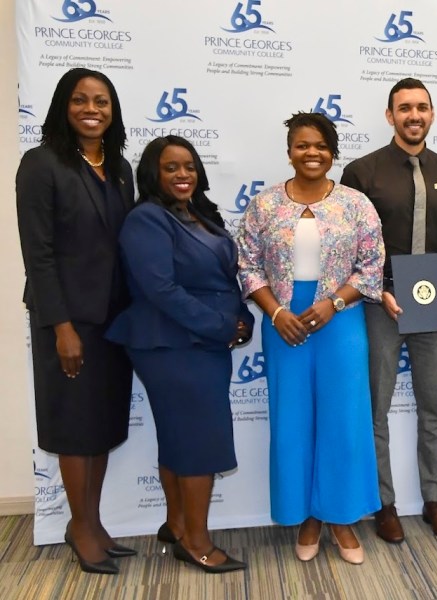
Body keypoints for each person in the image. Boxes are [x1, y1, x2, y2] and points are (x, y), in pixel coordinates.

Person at [236, 112, 384, 565]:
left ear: (333, 151)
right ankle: (306, 517)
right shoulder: (263, 206)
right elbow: (247, 265)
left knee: (344, 420)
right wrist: (276, 312)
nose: (312, 152)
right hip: (284, 323)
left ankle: (339, 517)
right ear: (289, 151)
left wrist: (333, 304)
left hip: (340, 321)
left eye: (320, 145)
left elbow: (372, 266)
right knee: (293, 420)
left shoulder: (356, 204)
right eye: (302, 145)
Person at [106, 136, 252, 573]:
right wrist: (223, 326)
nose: (182, 174)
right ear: (153, 173)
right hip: (170, 342)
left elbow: (228, 277)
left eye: (188, 165)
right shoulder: (146, 220)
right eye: (171, 168)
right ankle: (197, 542)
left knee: (179, 437)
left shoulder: (200, 215)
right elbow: (161, 290)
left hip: (202, 342)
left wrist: (241, 316)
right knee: (199, 441)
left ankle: (175, 524)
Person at [16, 68, 135, 574]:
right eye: (82, 100)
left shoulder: (122, 167)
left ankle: (92, 520)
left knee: (103, 425)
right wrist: (61, 325)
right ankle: (80, 526)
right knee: (73, 426)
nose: (93, 109)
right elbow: (37, 253)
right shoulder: (41, 164)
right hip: (67, 320)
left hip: (115, 319)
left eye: (103, 101)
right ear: (64, 106)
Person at [340, 78, 437, 543]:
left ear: (432, 114)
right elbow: (352, 245)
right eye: (404, 108)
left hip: (435, 303)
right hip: (381, 302)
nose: (414, 115)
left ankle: (434, 500)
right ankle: (384, 503)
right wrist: (377, 289)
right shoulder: (361, 172)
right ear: (390, 115)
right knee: (376, 409)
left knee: (435, 407)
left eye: (422, 108)